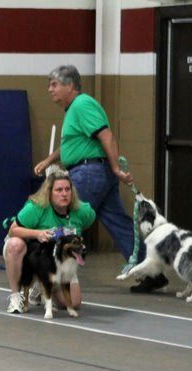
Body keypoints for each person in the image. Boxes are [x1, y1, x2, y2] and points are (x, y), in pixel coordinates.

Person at [33, 64, 166, 294]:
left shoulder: (82, 105)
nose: (50, 90)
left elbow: (106, 135)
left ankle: (57, 280)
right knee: (118, 223)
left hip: (89, 173)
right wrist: (48, 160)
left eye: (54, 84)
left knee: (66, 222)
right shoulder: (74, 110)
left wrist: (116, 168)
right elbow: (73, 145)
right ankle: (152, 273)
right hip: (94, 172)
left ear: (70, 85)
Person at [4, 168, 96, 313]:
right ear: (49, 192)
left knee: (74, 302)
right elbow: (12, 230)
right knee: (16, 245)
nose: (64, 194)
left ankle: (39, 289)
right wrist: (37, 233)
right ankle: (16, 297)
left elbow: (87, 224)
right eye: (59, 190)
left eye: (67, 189)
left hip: (57, 258)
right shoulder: (36, 208)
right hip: (31, 250)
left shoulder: (83, 211)